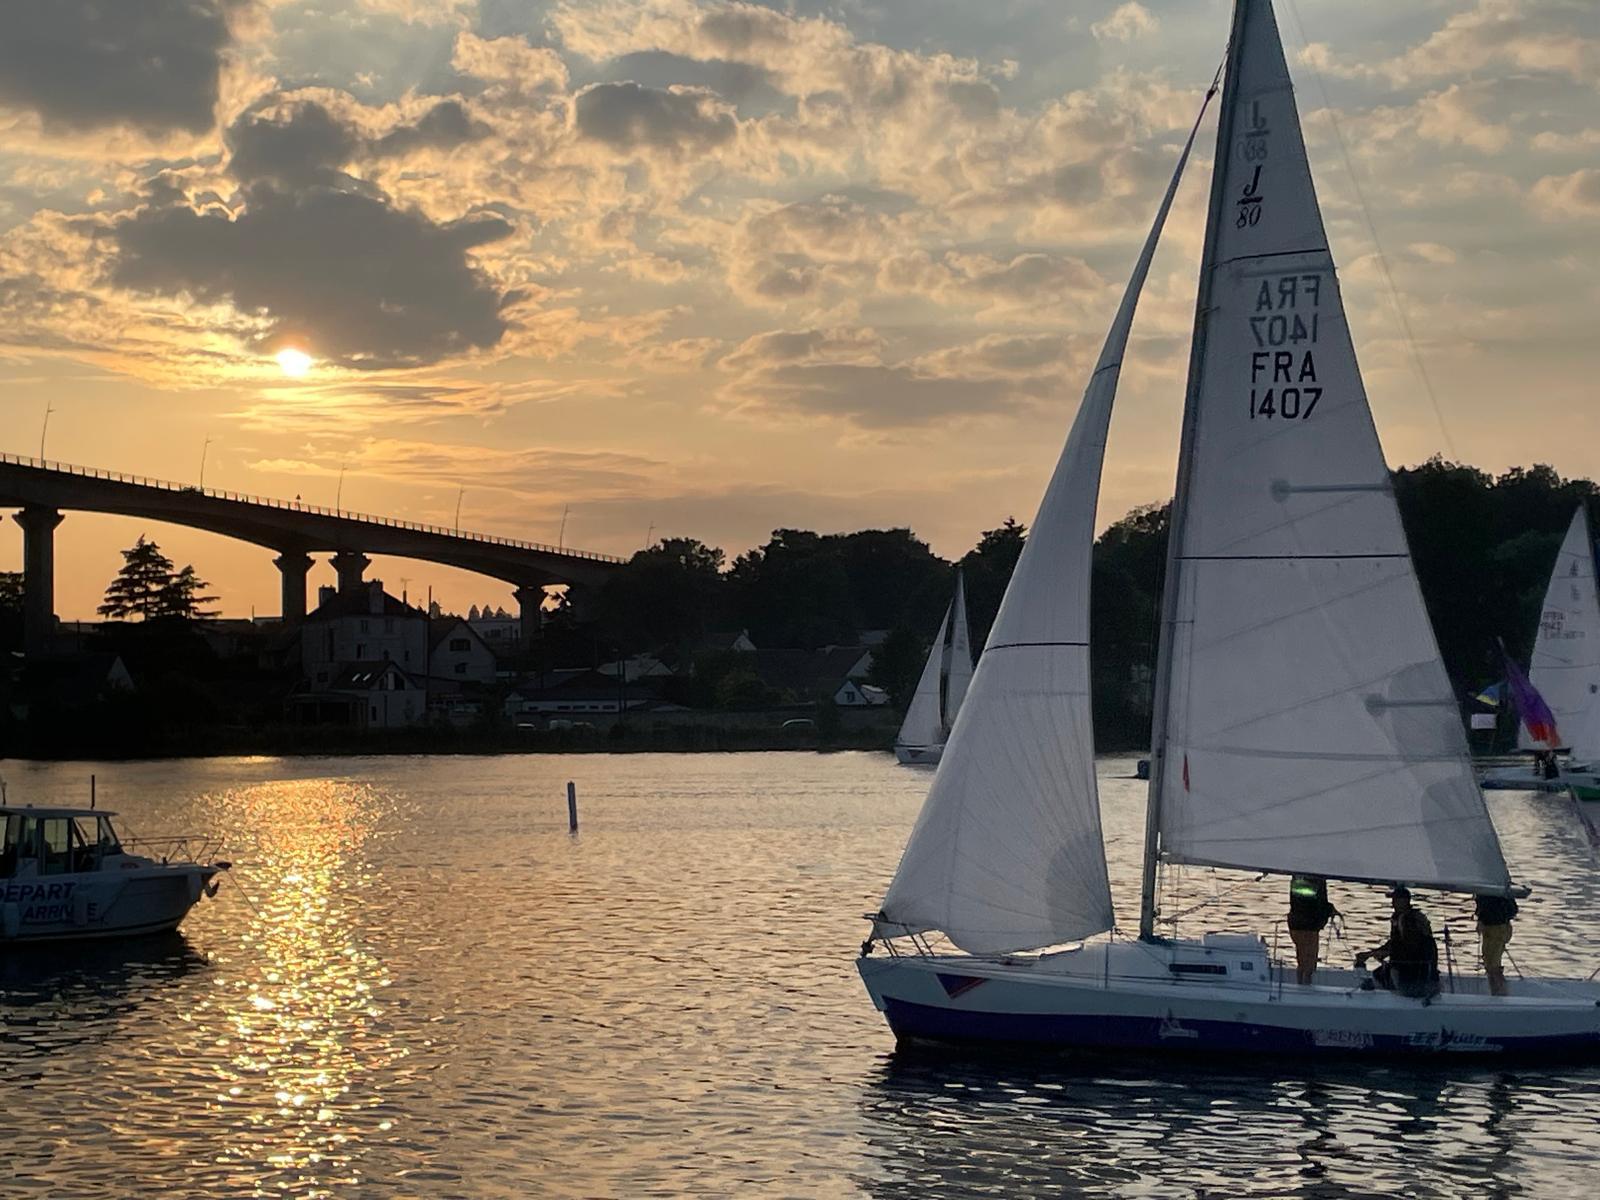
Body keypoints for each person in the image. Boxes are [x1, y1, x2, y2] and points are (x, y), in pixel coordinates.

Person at [1355, 886, 1439, 1000]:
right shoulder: (1411, 918)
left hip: (1410, 976)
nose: (1392, 903)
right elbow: (1395, 944)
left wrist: (1375, 955)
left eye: (1395, 900)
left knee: (1376, 978)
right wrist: (1373, 954)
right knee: (1379, 973)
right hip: (1418, 971)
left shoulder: (1408, 922)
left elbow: (1405, 947)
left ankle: (1375, 1000)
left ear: (1404, 901)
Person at [1287, 874, 1337, 984]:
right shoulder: (1317, 879)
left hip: (1295, 923)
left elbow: (1302, 900)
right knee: (1309, 961)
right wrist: (1330, 910)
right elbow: (1317, 904)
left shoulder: (1297, 877)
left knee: (1301, 958)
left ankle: (1300, 983)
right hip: (1309, 926)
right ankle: (1305, 987)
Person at [1476, 892, 1518, 996]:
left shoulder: (1493, 889)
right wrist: (1480, 919)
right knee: (1489, 963)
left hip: (1497, 926)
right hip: (1490, 926)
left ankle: (1501, 993)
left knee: (1493, 965)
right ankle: (1496, 992)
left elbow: (1489, 905)